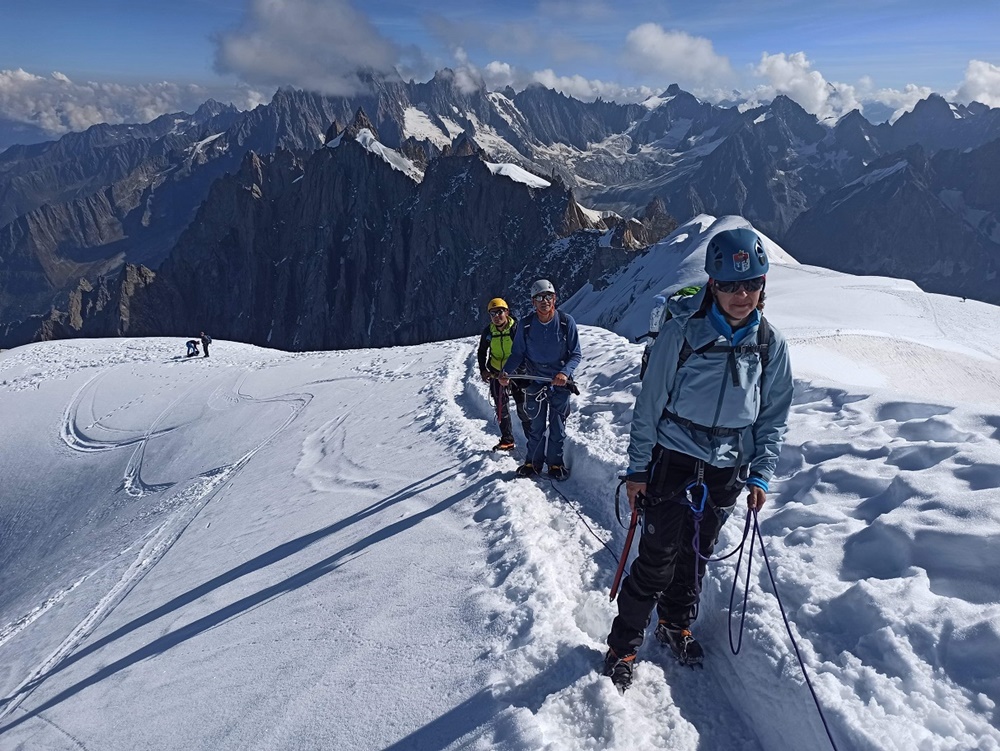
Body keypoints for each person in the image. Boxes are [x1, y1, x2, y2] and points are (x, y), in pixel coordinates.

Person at [602, 228, 794, 692]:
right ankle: (623, 645)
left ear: (764, 285)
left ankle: (674, 622)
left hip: (727, 468)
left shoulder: (770, 345)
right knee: (657, 558)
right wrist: (638, 469)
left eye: (751, 284)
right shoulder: (682, 332)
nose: (741, 294)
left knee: (695, 554)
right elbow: (650, 405)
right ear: (713, 285)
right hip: (674, 461)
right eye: (730, 285)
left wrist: (762, 475)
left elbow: (773, 417)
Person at [500, 279, 582, 481]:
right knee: (535, 425)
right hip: (535, 380)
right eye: (539, 297)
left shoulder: (565, 322)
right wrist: (506, 372)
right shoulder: (526, 325)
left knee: (557, 426)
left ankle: (555, 463)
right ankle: (533, 462)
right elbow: (517, 353)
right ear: (533, 302)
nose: (544, 301)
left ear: (554, 299)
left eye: (548, 297)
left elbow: (576, 354)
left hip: (559, 382)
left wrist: (564, 373)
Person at [477, 297, 532, 451]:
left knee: (523, 409)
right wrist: (483, 370)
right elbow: (482, 351)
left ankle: (533, 441)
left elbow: (524, 352)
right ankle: (507, 439)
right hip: (496, 373)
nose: (496, 316)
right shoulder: (488, 332)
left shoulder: (516, 330)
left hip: (517, 374)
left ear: (507, 312)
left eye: (499, 312)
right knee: (502, 408)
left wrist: (512, 372)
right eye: (493, 313)